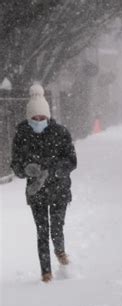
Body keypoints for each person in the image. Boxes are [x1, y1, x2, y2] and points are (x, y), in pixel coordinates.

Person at [11, 84, 77, 283]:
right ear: (29, 118)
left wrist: (55, 170)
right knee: (42, 232)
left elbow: (72, 160)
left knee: (57, 227)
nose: (38, 121)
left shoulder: (60, 133)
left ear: (48, 117)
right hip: (36, 191)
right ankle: (46, 272)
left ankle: (60, 251)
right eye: (34, 118)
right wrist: (26, 169)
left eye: (42, 118)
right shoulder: (22, 135)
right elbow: (15, 164)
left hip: (59, 189)